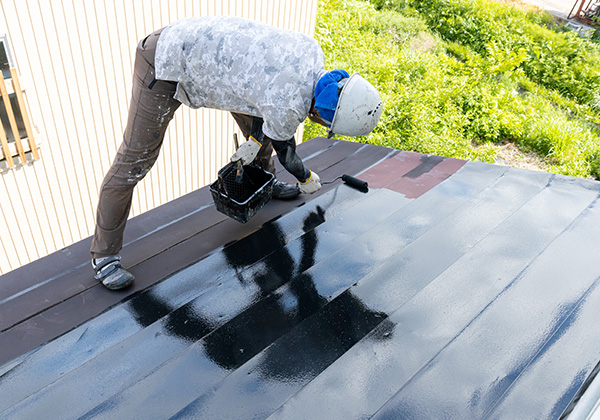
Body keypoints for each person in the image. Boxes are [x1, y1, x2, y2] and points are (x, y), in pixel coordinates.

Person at [90, 16, 383, 290]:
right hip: (166, 61)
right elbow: (287, 149)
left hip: (225, 66)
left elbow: (263, 95)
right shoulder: (287, 103)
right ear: (321, 115)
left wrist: (255, 140)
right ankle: (104, 256)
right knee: (134, 162)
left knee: (262, 133)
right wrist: (306, 178)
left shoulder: (311, 51)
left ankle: (264, 185)